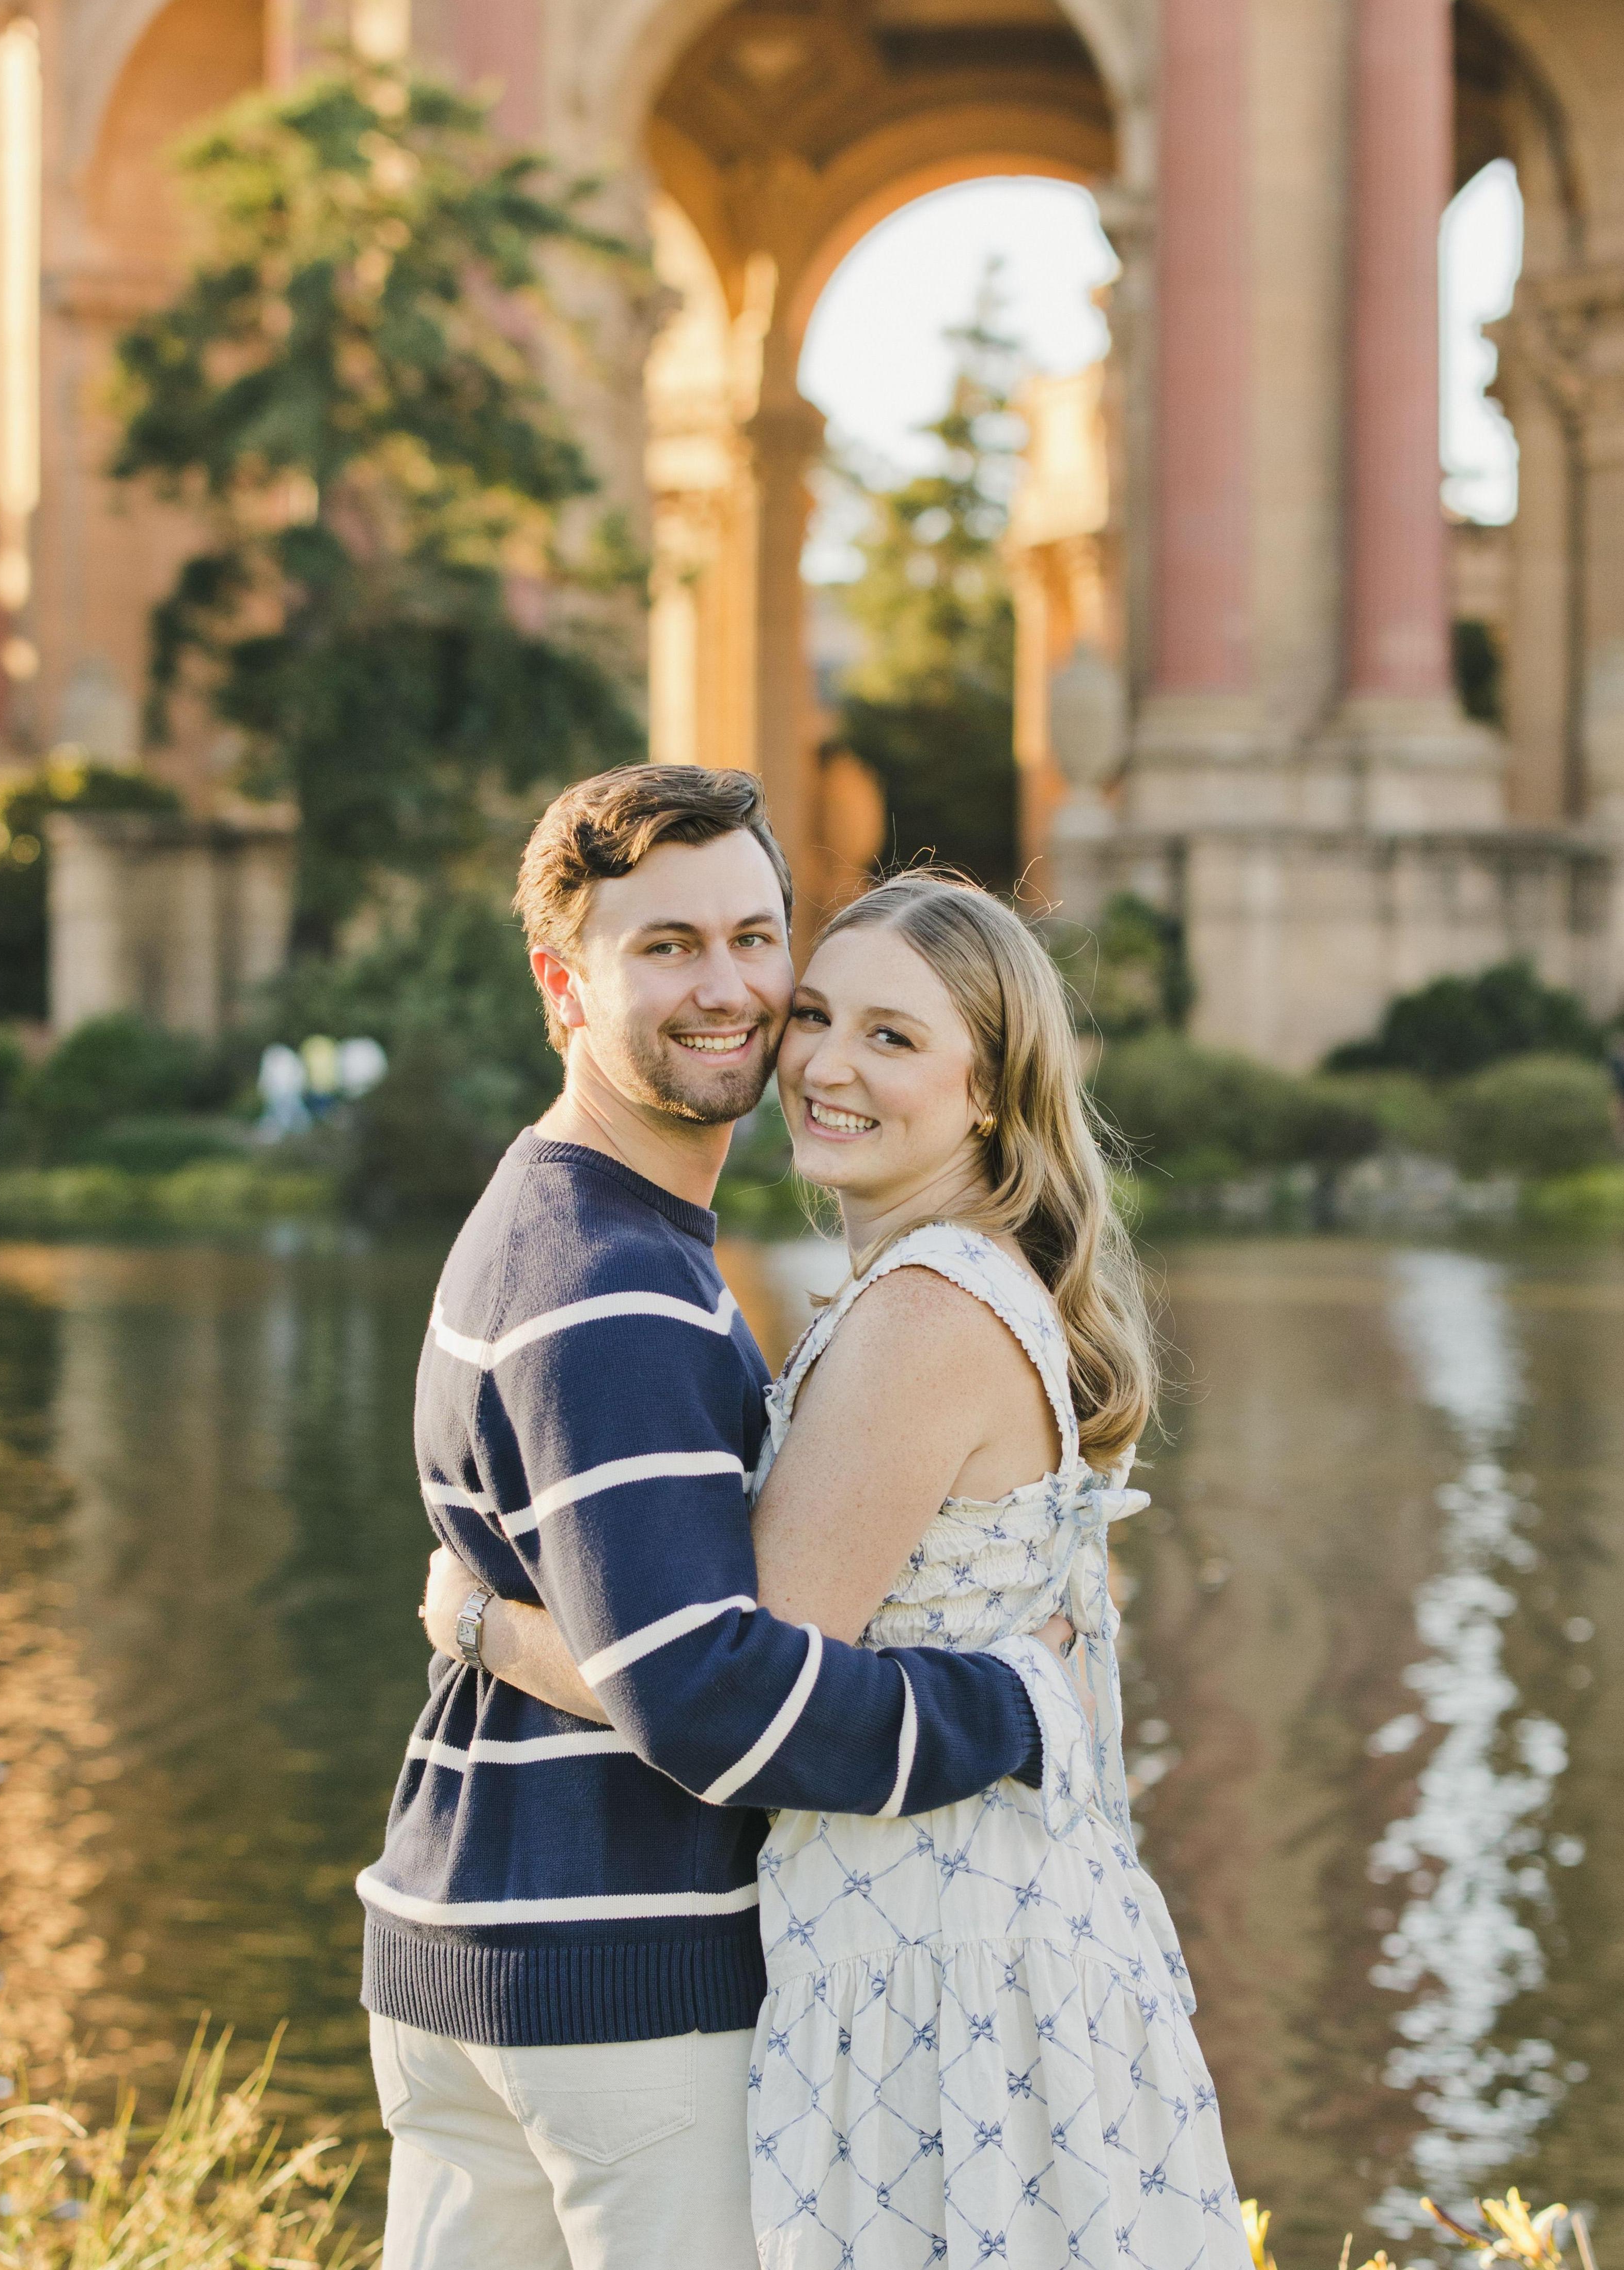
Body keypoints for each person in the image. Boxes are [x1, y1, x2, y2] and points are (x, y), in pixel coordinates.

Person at [427, 867, 1250, 2269]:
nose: (823, 1063)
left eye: (893, 1037)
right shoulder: (933, 1286)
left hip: (937, 1954)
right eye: (816, 1015)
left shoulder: (924, 1311)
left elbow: (728, 1692)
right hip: (942, 1924)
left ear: (989, 1089)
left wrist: (483, 1627)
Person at [361, 767, 1062, 2270]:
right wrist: (1015, 1704)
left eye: (757, 937)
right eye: (666, 945)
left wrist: (483, 1622)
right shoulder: (607, 1276)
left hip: (481, 1950)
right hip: (616, 1991)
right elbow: (708, 1696)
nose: (732, 986)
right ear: (564, 983)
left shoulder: (565, 1220)